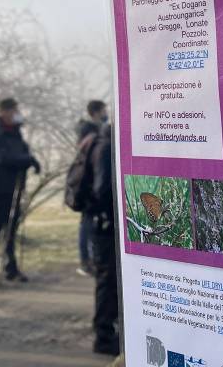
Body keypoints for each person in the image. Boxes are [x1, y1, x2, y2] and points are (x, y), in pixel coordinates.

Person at [0, 97, 40, 288]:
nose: (15, 115)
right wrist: (25, 160)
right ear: (4, 112)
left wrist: (33, 161)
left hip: (16, 186)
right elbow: (1, 157)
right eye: (13, 111)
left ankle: (10, 268)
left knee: (11, 229)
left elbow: (24, 152)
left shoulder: (15, 132)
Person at [87, 122, 119, 356]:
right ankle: (104, 336)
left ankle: (108, 331)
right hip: (105, 226)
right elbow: (102, 189)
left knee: (109, 279)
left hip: (102, 223)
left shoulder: (101, 143)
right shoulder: (106, 148)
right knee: (107, 280)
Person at [75, 99, 108, 276]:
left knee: (90, 224)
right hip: (88, 185)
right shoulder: (88, 131)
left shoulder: (93, 130)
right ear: (96, 112)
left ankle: (92, 259)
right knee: (87, 224)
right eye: (104, 110)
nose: (106, 113)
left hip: (93, 183)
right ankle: (85, 261)